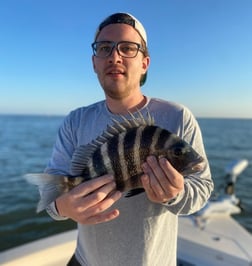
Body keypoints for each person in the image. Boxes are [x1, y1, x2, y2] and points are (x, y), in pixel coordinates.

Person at [42, 12, 213, 266]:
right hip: (84, 261)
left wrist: (175, 193)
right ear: (94, 63)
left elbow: (202, 187)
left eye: (128, 48)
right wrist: (63, 208)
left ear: (145, 63)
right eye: (104, 48)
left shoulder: (177, 117)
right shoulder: (76, 120)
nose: (114, 56)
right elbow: (50, 193)